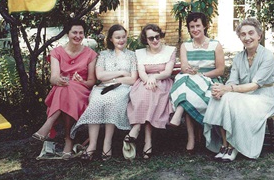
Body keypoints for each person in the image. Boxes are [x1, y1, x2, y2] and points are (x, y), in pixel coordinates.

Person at [203, 17, 274, 162]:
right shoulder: (239, 57)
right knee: (220, 97)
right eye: (243, 34)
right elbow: (233, 79)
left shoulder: (267, 56)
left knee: (231, 98)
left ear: (259, 36)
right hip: (243, 95)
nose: (247, 37)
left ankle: (234, 146)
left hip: (264, 97)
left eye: (251, 33)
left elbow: (255, 85)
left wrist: (228, 88)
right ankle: (225, 145)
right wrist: (222, 90)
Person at [70, 24, 138, 161]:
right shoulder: (104, 55)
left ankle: (107, 142)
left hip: (122, 88)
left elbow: (132, 79)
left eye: (123, 37)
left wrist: (114, 78)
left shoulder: (132, 55)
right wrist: (121, 73)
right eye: (117, 37)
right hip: (102, 88)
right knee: (96, 102)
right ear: (111, 39)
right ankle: (93, 145)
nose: (121, 40)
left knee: (112, 102)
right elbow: (100, 76)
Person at [32, 20, 98, 159]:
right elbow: (53, 78)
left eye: (81, 33)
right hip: (63, 89)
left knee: (68, 88)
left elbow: (91, 82)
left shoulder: (90, 54)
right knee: (65, 88)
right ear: (67, 33)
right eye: (74, 32)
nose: (78, 36)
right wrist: (59, 80)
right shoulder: (57, 52)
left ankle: (48, 125)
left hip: (82, 91)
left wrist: (82, 81)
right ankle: (68, 140)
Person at [169, 12, 225, 153]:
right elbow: (184, 67)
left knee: (187, 91)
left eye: (198, 25)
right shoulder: (185, 46)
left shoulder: (215, 45)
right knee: (187, 86)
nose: (195, 29)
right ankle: (191, 137)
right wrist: (189, 70)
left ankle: (180, 117)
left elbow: (220, 70)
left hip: (210, 79)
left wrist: (202, 75)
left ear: (204, 26)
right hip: (190, 79)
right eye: (192, 26)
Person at [125, 24, 176, 159]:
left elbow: (167, 72)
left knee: (152, 95)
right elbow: (141, 72)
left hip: (162, 82)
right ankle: (145, 138)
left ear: (160, 36)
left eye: (157, 37)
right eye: (151, 38)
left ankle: (138, 131)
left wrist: (154, 77)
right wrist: (148, 80)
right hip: (145, 82)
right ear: (146, 40)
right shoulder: (140, 53)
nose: (154, 41)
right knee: (144, 95)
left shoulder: (170, 51)